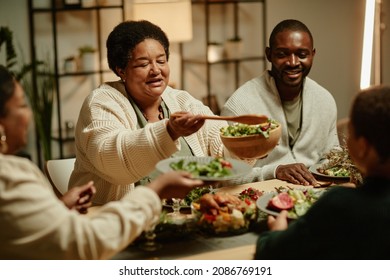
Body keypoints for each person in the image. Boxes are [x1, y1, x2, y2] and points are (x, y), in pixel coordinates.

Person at [0, 64, 205, 259]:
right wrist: (156, 191)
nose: (29, 114)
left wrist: (57, 209)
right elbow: (84, 244)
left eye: (161, 60)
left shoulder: (178, 98)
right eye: (22, 105)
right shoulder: (9, 178)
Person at [68, 20, 238, 205]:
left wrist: (248, 145)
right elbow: (114, 159)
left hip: (191, 217)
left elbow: (222, 147)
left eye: (161, 61)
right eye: (143, 64)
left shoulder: (181, 100)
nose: (156, 70)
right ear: (121, 70)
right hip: (120, 223)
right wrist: (170, 132)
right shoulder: (101, 103)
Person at [255, 85, 390, 259]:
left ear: (362, 147)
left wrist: (276, 231)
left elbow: (271, 252)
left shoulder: (339, 204)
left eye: (350, 133)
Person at [221, 19, 339, 186]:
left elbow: (333, 157)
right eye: (282, 54)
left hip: (315, 195)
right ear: (268, 54)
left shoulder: (324, 99)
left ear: (313, 54)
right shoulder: (240, 106)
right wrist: (275, 171)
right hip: (259, 200)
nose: (293, 62)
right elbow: (227, 175)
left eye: (302, 54)